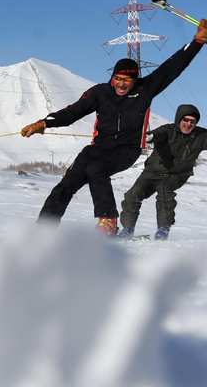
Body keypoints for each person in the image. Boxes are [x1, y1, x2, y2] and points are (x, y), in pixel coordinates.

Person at [20, 18, 207, 235]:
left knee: (96, 169)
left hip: (127, 149)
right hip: (98, 147)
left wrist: (198, 41)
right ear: (112, 77)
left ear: (135, 80)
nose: (121, 84)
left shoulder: (145, 90)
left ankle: (108, 222)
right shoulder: (101, 92)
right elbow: (74, 111)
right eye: (117, 78)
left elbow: (172, 67)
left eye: (126, 80)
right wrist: (45, 123)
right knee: (68, 183)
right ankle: (43, 229)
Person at [118, 104, 207, 240]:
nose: (189, 124)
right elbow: (157, 134)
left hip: (177, 174)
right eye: (186, 120)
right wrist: (150, 137)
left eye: (193, 121)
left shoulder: (201, 136)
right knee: (134, 193)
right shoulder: (168, 130)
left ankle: (163, 229)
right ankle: (127, 228)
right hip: (153, 171)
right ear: (179, 119)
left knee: (165, 190)